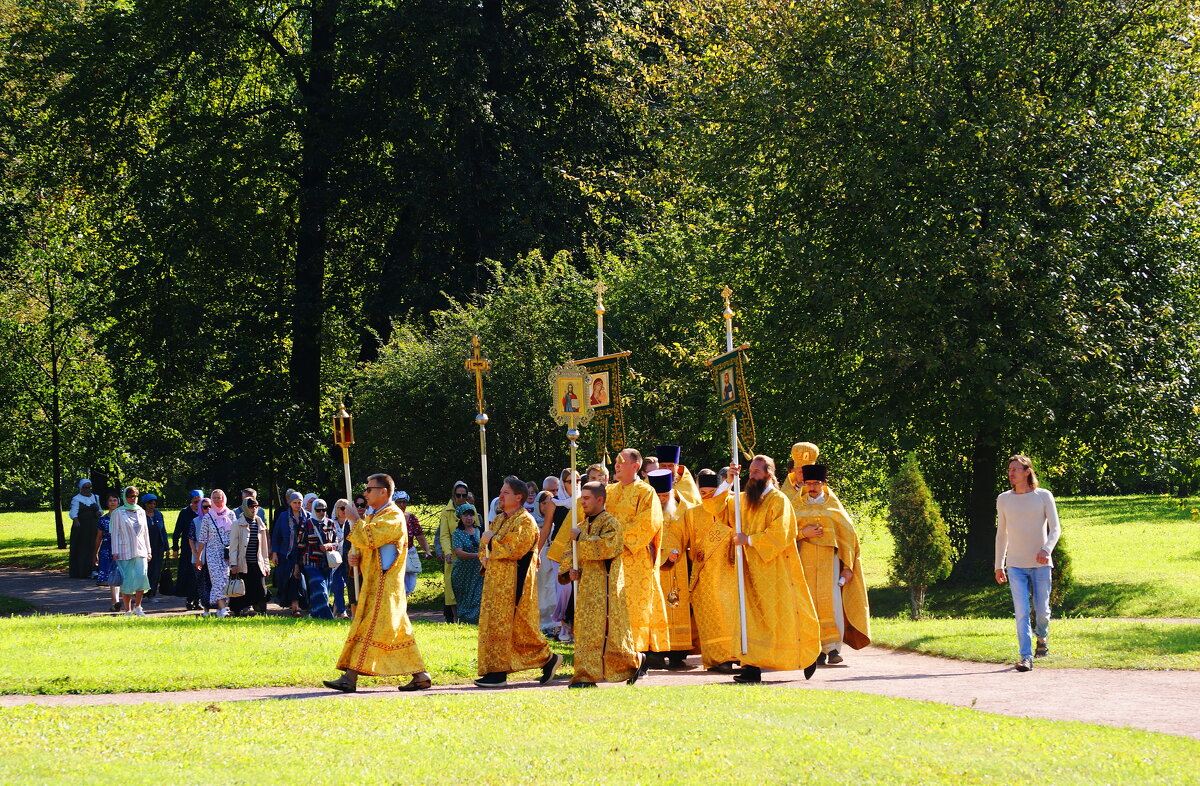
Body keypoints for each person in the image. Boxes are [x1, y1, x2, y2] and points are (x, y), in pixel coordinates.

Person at [323, 473, 432, 692]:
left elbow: (372, 538)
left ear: (383, 491)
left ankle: (350, 677)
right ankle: (420, 675)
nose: (365, 493)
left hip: (386, 587)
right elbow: (371, 547)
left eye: (369, 489)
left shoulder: (393, 515)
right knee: (397, 631)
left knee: (369, 628)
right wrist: (357, 557)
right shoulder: (376, 516)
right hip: (375, 585)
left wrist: (355, 520)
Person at [719, 455, 820, 683]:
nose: (752, 475)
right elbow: (716, 506)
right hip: (749, 569)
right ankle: (751, 668)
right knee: (750, 617)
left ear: (769, 474)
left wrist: (749, 540)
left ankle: (805, 655)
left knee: (781, 617)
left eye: (756, 472)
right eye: (751, 471)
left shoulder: (779, 500)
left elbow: (782, 533)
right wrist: (728, 481)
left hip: (775, 570)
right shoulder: (744, 500)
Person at [473, 476, 560, 688]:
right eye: (501, 492)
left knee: (519, 630)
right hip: (495, 584)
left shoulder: (525, 520)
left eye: (505, 493)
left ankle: (545, 659)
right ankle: (495, 669)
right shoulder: (499, 519)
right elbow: (485, 546)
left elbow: (514, 548)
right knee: (495, 627)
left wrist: (490, 543)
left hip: (514, 584)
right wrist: (484, 554)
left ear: (518, 497)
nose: (501, 496)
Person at [560, 481, 643, 687]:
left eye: (587, 498)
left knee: (608, 633)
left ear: (600, 499)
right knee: (586, 632)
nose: (583, 502)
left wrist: (582, 539)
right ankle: (585, 674)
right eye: (582, 498)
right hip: (586, 588)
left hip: (605, 589)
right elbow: (571, 554)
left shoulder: (611, 523)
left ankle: (632, 662)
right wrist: (569, 570)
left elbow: (608, 548)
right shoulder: (580, 527)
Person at [794, 464, 871, 665]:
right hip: (804, 561)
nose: (812, 487)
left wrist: (847, 567)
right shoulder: (796, 506)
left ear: (823, 484)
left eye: (816, 483)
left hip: (830, 562)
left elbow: (848, 535)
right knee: (808, 604)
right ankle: (814, 649)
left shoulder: (833, 506)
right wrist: (803, 533)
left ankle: (833, 649)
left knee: (832, 603)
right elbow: (784, 532)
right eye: (809, 483)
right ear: (803, 483)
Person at [995, 454, 1061, 672]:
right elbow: (1001, 534)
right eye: (1009, 469)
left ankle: (1041, 638)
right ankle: (1025, 657)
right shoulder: (1004, 499)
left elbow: (1056, 528)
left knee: (1041, 610)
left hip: (1041, 564)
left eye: (1015, 469)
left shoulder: (1043, 496)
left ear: (1027, 472)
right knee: (1022, 610)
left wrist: (1046, 549)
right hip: (1015, 566)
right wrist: (999, 565)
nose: (1011, 473)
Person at [606, 449, 669, 667]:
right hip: (609, 558)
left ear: (635, 466)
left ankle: (637, 654)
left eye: (621, 462)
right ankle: (614, 652)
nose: (616, 465)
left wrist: (616, 540)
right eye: (615, 462)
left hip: (635, 559)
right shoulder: (608, 491)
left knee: (635, 606)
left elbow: (649, 522)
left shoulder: (646, 492)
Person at [686, 470, 741, 673]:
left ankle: (736, 654)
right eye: (703, 492)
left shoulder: (728, 509)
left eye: (712, 491)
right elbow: (677, 535)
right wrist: (672, 549)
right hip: (705, 575)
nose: (707, 495)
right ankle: (717, 659)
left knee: (731, 616)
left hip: (730, 570)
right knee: (712, 619)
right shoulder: (691, 513)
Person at [648, 468, 693, 670]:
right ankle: (656, 651)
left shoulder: (685, 508)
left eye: (665, 495)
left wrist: (681, 549)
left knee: (678, 606)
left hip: (679, 565)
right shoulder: (645, 509)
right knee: (656, 606)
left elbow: (693, 532)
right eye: (657, 495)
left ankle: (678, 652)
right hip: (653, 564)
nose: (661, 499)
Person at [110, 486, 151, 615]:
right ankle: (127, 609)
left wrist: (148, 551)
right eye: (130, 496)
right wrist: (114, 551)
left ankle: (138, 606)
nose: (133, 499)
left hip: (140, 550)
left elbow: (145, 533)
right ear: (125, 497)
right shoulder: (118, 513)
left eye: (135, 496)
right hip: (124, 551)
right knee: (127, 580)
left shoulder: (141, 511)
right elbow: (115, 533)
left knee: (141, 577)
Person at [295, 498, 338, 619]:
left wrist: (329, 546)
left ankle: (315, 614)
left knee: (323, 591)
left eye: (324, 509)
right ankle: (327, 617)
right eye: (318, 510)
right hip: (311, 563)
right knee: (320, 589)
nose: (321, 512)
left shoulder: (330, 523)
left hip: (327, 563)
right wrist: (297, 565)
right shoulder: (306, 524)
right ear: (313, 510)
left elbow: (336, 542)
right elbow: (300, 545)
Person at [196, 490, 236, 618]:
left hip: (228, 553)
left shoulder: (231, 515)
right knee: (217, 580)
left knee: (225, 579)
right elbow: (202, 538)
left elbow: (236, 535)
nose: (218, 500)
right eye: (215, 498)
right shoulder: (208, 517)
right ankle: (223, 609)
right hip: (213, 553)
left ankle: (220, 609)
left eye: (220, 498)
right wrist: (199, 557)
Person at [229, 495, 270, 616]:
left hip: (258, 563)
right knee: (241, 589)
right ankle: (237, 612)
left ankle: (263, 612)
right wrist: (233, 564)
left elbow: (264, 548)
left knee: (261, 589)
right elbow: (233, 546)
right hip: (243, 563)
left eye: (256, 506)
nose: (254, 509)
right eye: (251, 507)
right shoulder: (237, 524)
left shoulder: (259, 522)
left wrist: (267, 565)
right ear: (246, 507)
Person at [436, 481, 470, 622]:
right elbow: (443, 535)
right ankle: (455, 618)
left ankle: (468, 616)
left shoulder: (471, 509)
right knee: (451, 586)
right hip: (453, 553)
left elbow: (477, 530)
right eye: (458, 495)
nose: (461, 498)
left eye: (464, 495)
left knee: (469, 585)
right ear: (453, 495)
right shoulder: (446, 511)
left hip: (468, 552)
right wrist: (447, 552)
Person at [272, 491, 309, 615]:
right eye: (295, 503)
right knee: (291, 578)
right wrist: (275, 553)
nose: (298, 505)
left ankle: (298, 604)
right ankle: (294, 605)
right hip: (286, 554)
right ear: (290, 503)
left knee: (300, 578)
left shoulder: (307, 516)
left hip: (303, 553)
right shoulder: (283, 517)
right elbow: (276, 535)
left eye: (300, 503)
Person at [450, 503, 484, 623]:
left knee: (478, 595)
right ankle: (464, 621)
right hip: (462, 572)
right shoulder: (457, 533)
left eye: (471, 515)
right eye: (466, 515)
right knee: (464, 597)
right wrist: (477, 555)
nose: (469, 518)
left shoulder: (479, 531)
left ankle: (476, 621)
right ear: (461, 517)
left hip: (478, 570)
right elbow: (459, 552)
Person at [171, 490, 203, 610]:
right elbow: (177, 531)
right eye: (195, 502)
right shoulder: (185, 513)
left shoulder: (205, 512)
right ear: (191, 501)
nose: (197, 504)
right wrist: (175, 548)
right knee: (189, 574)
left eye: (200, 502)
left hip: (201, 548)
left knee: (200, 574)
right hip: (187, 548)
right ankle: (189, 599)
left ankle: (198, 599)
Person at [534, 490, 558, 635]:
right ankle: (541, 622)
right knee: (540, 588)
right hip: (540, 556)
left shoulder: (555, 523)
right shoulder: (533, 522)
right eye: (543, 503)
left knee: (552, 589)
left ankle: (552, 622)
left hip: (552, 556)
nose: (546, 506)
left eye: (549, 503)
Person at [68, 479, 101, 579]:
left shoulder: (95, 497)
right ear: (81, 488)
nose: (87, 490)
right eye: (85, 488)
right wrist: (76, 520)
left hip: (93, 525)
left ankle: (93, 569)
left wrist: (99, 513)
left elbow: (99, 509)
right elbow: (73, 512)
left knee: (93, 546)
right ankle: (81, 570)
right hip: (82, 527)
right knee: (82, 547)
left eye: (89, 487)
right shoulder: (77, 499)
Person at [330, 499, 356, 618]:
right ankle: (341, 611)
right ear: (336, 510)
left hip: (349, 559)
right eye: (341, 508)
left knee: (351, 585)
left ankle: (351, 610)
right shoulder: (330, 523)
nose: (344, 510)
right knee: (338, 585)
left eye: (346, 508)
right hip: (335, 559)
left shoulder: (352, 523)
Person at [94, 492, 121, 611]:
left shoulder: (123, 518)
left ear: (118, 502)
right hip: (107, 549)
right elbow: (98, 537)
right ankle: (115, 601)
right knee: (111, 575)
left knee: (119, 574)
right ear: (107, 503)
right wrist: (95, 552)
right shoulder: (102, 519)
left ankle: (116, 602)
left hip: (120, 549)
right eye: (110, 500)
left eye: (114, 500)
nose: (112, 503)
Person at [141, 494, 169, 603]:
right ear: (145, 504)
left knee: (156, 570)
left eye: (154, 503)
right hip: (144, 546)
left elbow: (163, 531)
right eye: (149, 503)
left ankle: (152, 593)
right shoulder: (140, 514)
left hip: (158, 546)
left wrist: (166, 547)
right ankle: (141, 592)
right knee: (144, 570)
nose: (152, 506)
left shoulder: (158, 514)